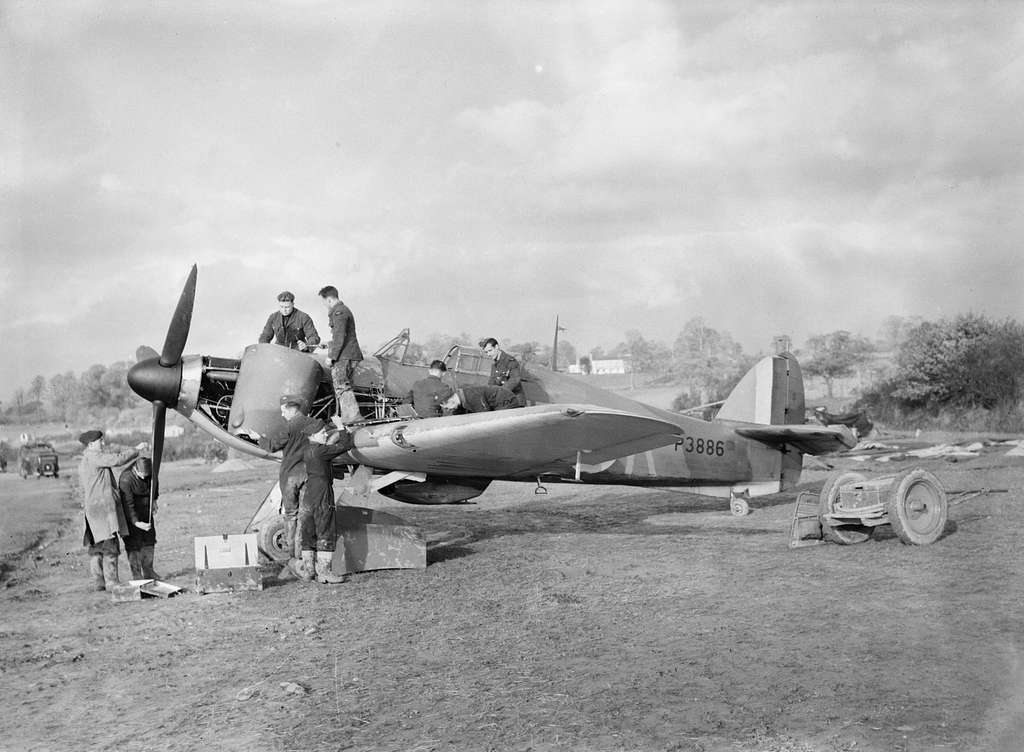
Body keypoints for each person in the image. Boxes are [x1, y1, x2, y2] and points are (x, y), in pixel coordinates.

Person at [247, 396, 325, 570]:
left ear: (292, 409)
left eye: (283, 411)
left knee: (290, 515)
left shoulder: (287, 427)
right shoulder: (316, 423)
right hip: (308, 474)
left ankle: (292, 555)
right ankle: (307, 554)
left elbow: (272, 446)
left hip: (289, 476)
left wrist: (257, 437)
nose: (282, 414)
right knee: (306, 515)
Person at [77, 430, 145, 592]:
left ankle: (99, 583)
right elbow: (117, 460)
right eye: (100, 441)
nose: (103, 443)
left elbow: (83, 489)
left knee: (96, 548)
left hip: (92, 510)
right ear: (91, 444)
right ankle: (111, 583)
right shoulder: (95, 457)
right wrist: (136, 449)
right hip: (103, 509)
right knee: (110, 546)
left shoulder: (84, 461)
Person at [297, 426, 355, 584]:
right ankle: (324, 572)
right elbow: (346, 445)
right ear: (312, 435)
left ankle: (308, 572)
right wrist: (343, 429)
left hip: (309, 494)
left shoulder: (306, 450)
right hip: (322, 493)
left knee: (308, 532)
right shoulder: (321, 451)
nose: (325, 434)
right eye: (322, 433)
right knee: (325, 530)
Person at [319, 285, 364, 424]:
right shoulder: (343, 310)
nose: (324, 305)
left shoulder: (339, 312)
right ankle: (348, 416)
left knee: (341, 385)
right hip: (349, 353)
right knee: (342, 385)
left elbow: (340, 337)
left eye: (323, 301)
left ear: (329, 299)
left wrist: (331, 356)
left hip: (344, 356)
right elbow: (341, 336)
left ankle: (352, 416)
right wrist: (328, 344)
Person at [118, 457, 159, 580]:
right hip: (131, 515)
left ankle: (148, 571)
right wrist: (136, 522)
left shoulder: (151, 473)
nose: (144, 477)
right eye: (142, 474)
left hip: (146, 510)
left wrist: (155, 499)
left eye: (146, 474)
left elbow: (155, 484)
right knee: (133, 544)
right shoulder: (126, 479)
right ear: (136, 469)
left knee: (149, 539)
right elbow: (128, 505)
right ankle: (136, 574)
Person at [479, 337, 526, 406]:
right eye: (486, 352)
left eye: (490, 351)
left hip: (515, 402)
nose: (488, 354)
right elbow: (491, 383)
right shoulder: (495, 365)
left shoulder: (510, 361)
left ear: (497, 347)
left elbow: (515, 380)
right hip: (503, 401)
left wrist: (499, 393)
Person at [440, 384, 519, 414]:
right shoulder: (461, 397)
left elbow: (484, 415)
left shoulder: (471, 396)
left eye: (447, 407)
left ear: (451, 400)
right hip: (497, 402)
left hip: (507, 401)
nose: (448, 410)